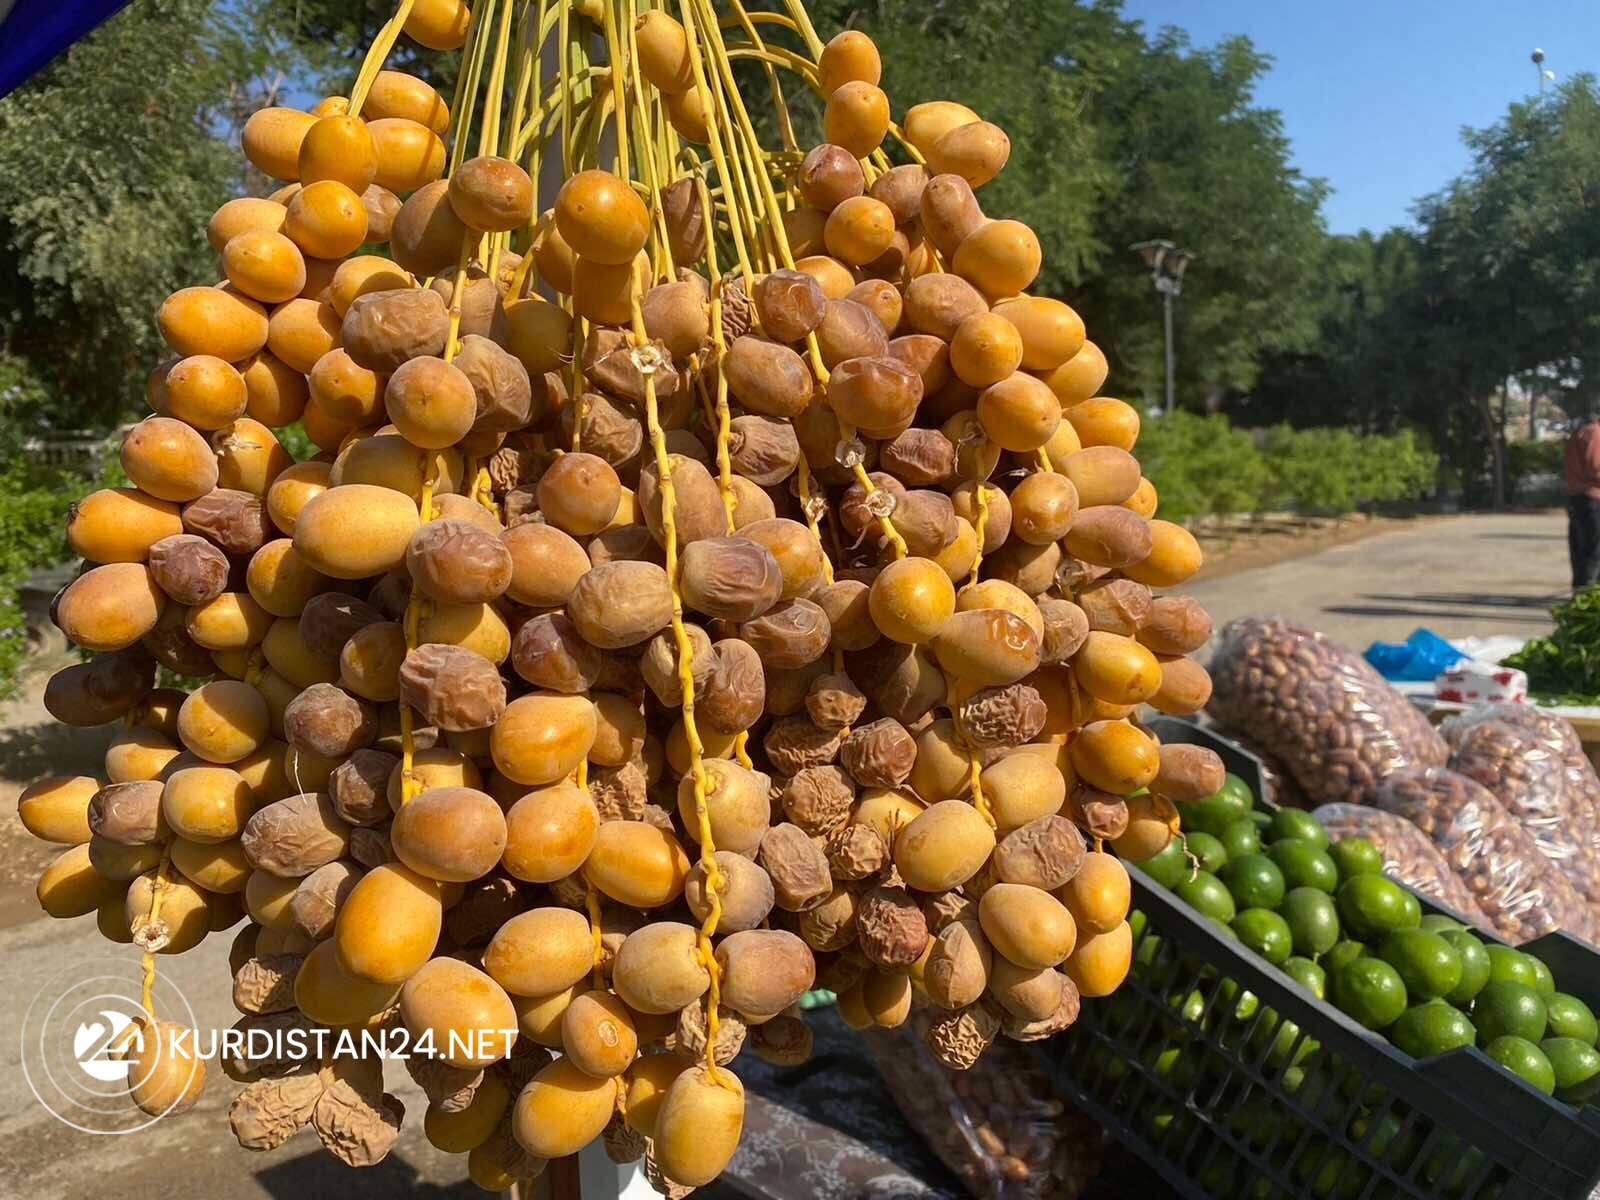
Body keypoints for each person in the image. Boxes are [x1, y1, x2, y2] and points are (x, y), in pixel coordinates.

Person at [1565, 417, 1600, 589]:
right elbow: (1596, 468)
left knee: (1581, 555)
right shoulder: (1596, 434)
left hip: (1579, 500)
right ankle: (1588, 600)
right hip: (1593, 500)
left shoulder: (1582, 431)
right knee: (1594, 555)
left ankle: (1580, 599)